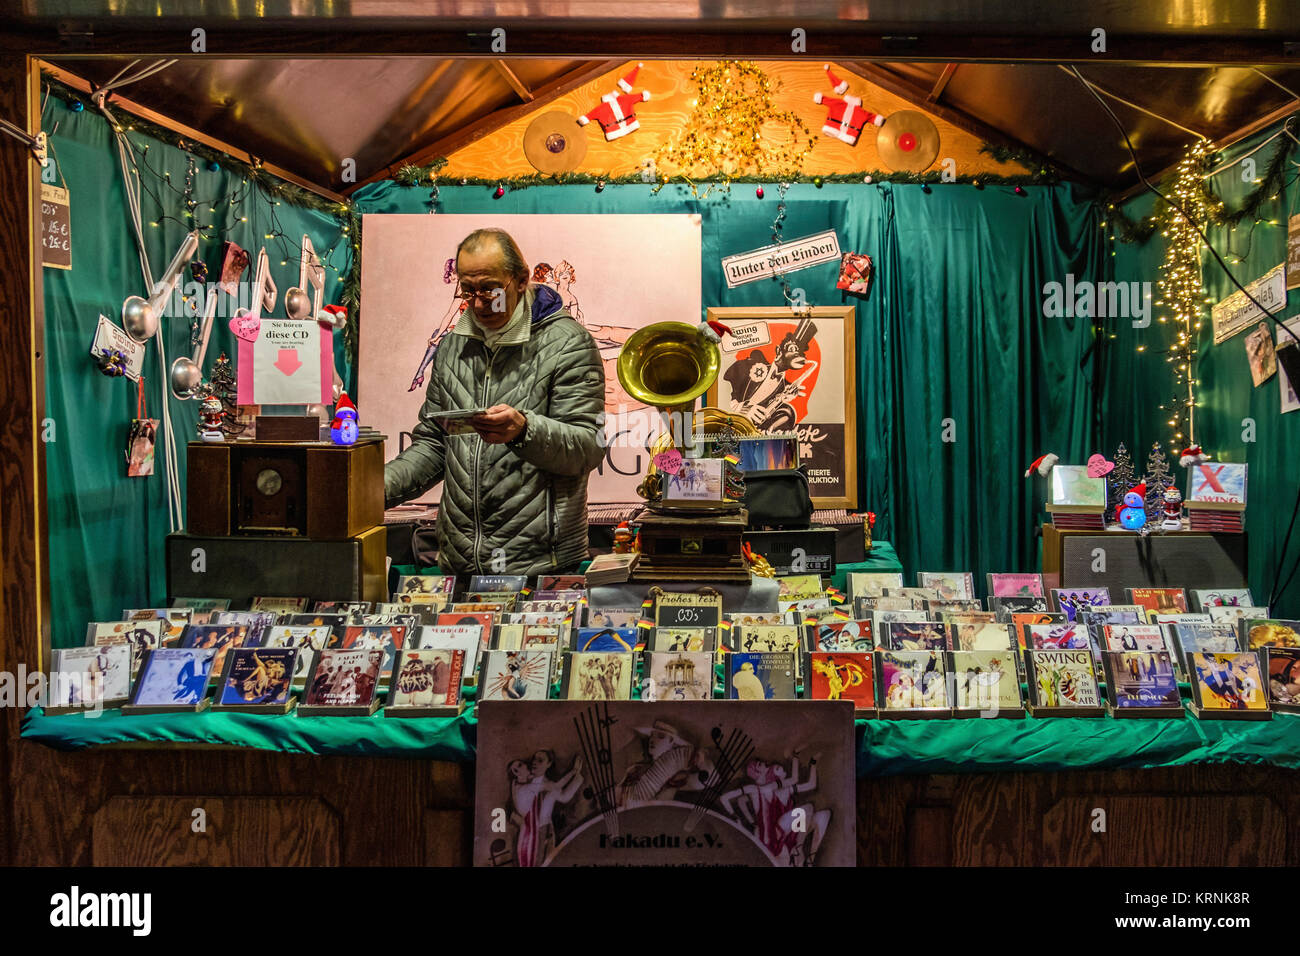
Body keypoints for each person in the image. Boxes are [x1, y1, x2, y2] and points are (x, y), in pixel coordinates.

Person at [385, 228, 606, 576]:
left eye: (489, 289)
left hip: (543, 568)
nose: (476, 303)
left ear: (521, 280)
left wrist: (524, 431)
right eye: (467, 290)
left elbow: (588, 448)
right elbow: (433, 445)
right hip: (459, 564)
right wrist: (368, 492)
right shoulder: (452, 347)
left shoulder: (568, 343)